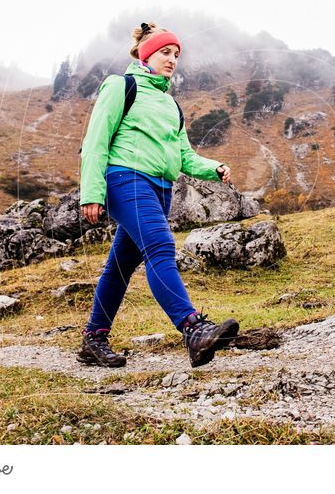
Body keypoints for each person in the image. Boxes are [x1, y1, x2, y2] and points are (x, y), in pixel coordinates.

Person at [77, 21, 239, 368]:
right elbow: (95, 140)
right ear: (147, 54)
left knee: (119, 268)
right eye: (166, 51)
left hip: (159, 190)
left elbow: (185, 157)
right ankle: (192, 328)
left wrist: (213, 167)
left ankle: (93, 339)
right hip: (125, 180)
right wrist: (91, 191)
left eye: (177, 54)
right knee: (161, 247)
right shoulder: (122, 85)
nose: (172, 59)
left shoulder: (171, 106)